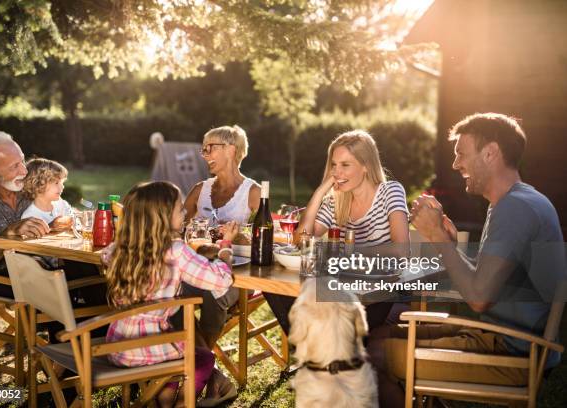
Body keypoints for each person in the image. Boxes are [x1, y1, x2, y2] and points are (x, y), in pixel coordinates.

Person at [376, 113, 566, 406]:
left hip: (508, 353)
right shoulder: (513, 201)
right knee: (378, 337)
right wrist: (451, 246)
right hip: (504, 340)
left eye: (461, 154)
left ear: (490, 153)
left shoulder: (516, 207)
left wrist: (438, 236)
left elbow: (478, 298)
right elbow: (486, 280)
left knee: (372, 357)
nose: (455, 164)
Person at [102, 181, 238, 407]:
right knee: (204, 358)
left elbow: (105, 256)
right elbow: (221, 280)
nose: (185, 211)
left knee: (181, 350)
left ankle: (162, 400)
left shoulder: (121, 246)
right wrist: (225, 249)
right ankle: (181, 403)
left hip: (117, 344)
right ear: (163, 216)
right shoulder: (175, 251)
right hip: (148, 347)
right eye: (180, 208)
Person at [266, 130, 410, 334]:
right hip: (343, 288)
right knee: (275, 290)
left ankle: (323, 357)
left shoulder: (390, 192)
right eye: (333, 165)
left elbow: (401, 251)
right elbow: (301, 240)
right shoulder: (337, 200)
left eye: (345, 165)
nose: (336, 173)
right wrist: (319, 193)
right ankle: (318, 358)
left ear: (366, 166)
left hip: (381, 293)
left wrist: (349, 255)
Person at [0, 131, 98, 301]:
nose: (24, 171)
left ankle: (102, 322)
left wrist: (56, 224)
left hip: (45, 264)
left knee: (89, 269)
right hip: (0, 277)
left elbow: (57, 205)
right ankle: (82, 323)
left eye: (22, 161)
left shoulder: (29, 186)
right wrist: (7, 235)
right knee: (58, 293)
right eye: (14, 167)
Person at [182, 125, 260, 401]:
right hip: (194, 270)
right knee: (168, 294)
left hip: (236, 276)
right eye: (203, 149)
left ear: (231, 149)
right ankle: (210, 371)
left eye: (210, 148)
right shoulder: (199, 190)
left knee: (210, 292)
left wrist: (238, 236)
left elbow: (266, 244)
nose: (205, 155)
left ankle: (196, 368)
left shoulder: (253, 192)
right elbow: (174, 226)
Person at [21, 158, 73, 225]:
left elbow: (76, 223)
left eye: (62, 183)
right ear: (38, 184)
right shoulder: (30, 216)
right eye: (56, 183)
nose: (62, 186)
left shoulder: (61, 204)